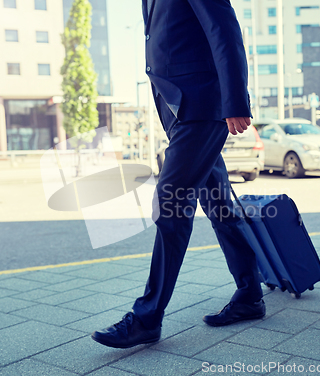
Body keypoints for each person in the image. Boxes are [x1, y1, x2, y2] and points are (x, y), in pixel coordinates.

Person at [91, 0, 265, 349]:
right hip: (178, 106)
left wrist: (235, 102)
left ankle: (146, 318)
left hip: (203, 105)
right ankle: (250, 295)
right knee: (220, 206)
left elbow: (224, 30)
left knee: (169, 206)